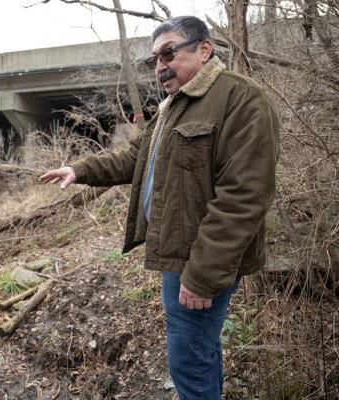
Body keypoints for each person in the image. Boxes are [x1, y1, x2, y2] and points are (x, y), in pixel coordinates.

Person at [40, 16, 279, 400]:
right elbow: (136, 157)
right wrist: (79, 170)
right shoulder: (174, 107)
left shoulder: (240, 98)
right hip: (177, 255)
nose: (159, 66)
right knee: (199, 350)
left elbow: (244, 198)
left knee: (189, 358)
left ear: (205, 49)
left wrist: (202, 275)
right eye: (154, 59)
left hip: (199, 262)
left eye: (168, 53)